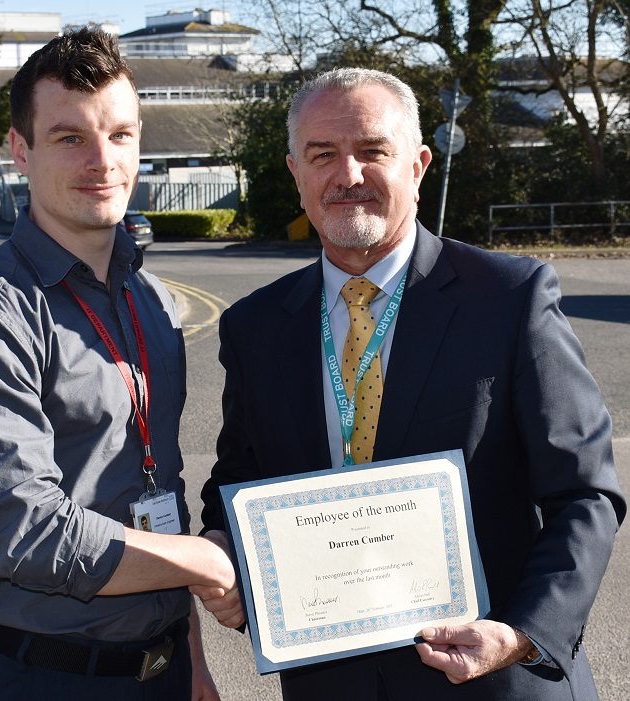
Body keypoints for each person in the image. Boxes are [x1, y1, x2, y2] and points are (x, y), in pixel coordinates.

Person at [198, 67, 626, 700]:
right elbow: (239, 479)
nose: (347, 176)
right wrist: (224, 552)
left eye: (373, 151)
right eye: (323, 155)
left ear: (420, 165)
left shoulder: (509, 299)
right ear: (296, 173)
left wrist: (521, 634)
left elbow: (585, 494)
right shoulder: (256, 326)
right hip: (330, 683)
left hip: (494, 680)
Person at [0, 28, 237, 701]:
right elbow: (24, 531)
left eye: (120, 135)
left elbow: (159, 493)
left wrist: (191, 655)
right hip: (43, 678)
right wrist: (204, 561)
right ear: (20, 151)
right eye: (71, 137)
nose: (102, 159)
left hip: (163, 672)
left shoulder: (152, 300)